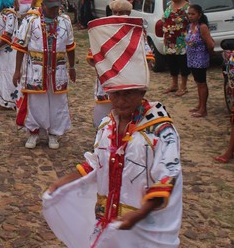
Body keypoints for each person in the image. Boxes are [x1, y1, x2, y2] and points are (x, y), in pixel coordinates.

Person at [45, 17, 182, 248]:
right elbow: (95, 163)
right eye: (115, 94)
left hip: (143, 230)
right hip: (109, 223)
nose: (120, 101)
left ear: (141, 93)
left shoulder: (160, 130)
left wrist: (139, 214)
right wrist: (64, 183)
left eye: (128, 94)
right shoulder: (107, 125)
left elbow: (168, 177)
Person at [12, 0, 76, 150]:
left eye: (57, 8)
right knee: (36, 102)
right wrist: (17, 70)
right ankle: (34, 132)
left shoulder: (64, 21)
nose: (54, 11)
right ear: (43, 6)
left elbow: (70, 46)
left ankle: (54, 133)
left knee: (57, 101)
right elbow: (21, 47)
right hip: (35, 69)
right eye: (51, 8)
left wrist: (73, 66)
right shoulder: (30, 20)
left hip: (57, 69)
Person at [87, 0, 154, 127]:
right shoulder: (103, 31)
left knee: (128, 120)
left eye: (121, 12)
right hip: (107, 83)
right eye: (115, 12)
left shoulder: (137, 31)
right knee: (103, 121)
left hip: (129, 85)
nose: (117, 15)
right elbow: (92, 58)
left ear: (128, 13)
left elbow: (147, 59)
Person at [185, 4, 214, 118]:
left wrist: (209, 53)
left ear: (199, 15)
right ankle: (200, 105)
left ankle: (203, 109)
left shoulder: (202, 27)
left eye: (193, 14)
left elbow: (210, 43)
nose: (190, 16)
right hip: (192, 58)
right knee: (198, 82)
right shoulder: (190, 26)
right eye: (189, 14)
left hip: (200, 59)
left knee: (202, 83)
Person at [161, 0, 190, 97]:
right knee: (171, 62)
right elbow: (164, 19)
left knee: (182, 63)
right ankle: (174, 84)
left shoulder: (187, 7)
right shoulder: (170, 6)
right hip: (170, 40)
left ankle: (184, 86)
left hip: (181, 41)